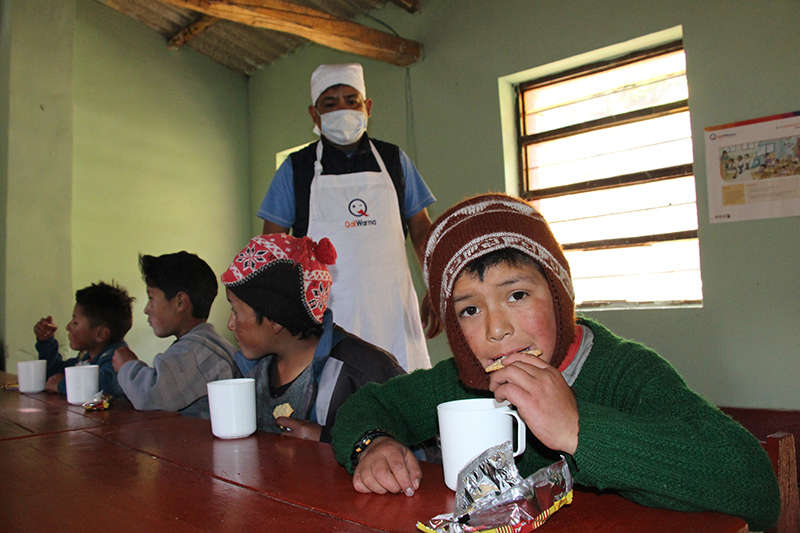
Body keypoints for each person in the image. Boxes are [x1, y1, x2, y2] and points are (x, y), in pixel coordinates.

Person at [330, 193, 780, 531]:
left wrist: (576, 429)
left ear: (559, 296)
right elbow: (368, 406)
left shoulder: (624, 372)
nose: (496, 329)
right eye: (470, 309)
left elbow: (756, 487)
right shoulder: (464, 381)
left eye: (517, 295)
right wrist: (372, 444)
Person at [257, 63, 440, 372]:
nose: (342, 109)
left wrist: (435, 284)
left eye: (351, 101)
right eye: (330, 104)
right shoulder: (296, 168)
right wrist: (280, 313)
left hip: (392, 313)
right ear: (314, 114)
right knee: (335, 389)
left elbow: (422, 229)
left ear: (367, 107)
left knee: (400, 387)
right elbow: (271, 247)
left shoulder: (394, 161)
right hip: (326, 316)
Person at [221, 233, 405, 443]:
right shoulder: (249, 370)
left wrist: (327, 440)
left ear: (275, 318)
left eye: (235, 311)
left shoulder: (367, 374)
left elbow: (418, 451)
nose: (230, 324)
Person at [112, 252, 239, 418]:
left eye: (151, 298)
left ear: (181, 302)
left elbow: (149, 397)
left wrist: (127, 366)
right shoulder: (206, 344)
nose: (146, 309)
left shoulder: (194, 351)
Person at [34, 281, 134, 398]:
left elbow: (104, 386)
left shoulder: (116, 361)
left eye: (75, 323)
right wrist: (46, 342)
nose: (68, 327)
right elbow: (54, 374)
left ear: (101, 334)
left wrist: (63, 385)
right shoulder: (87, 358)